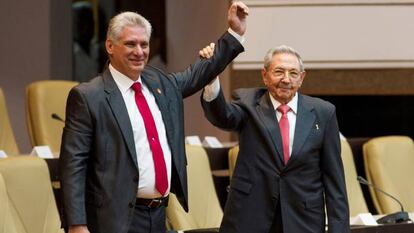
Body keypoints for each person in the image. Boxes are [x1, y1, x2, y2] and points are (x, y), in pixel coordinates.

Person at [59, 2, 248, 233]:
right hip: (114, 220)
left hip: (158, 215)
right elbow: (73, 166)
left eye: (144, 44)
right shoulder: (89, 96)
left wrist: (233, 34)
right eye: (130, 44)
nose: (139, 52)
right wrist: (77, 224)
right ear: (110, 46)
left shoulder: (158, 83)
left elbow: (196, 74)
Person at [200, 45, 350, 233]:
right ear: (265, 75)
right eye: (279, 72)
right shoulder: (248, 103)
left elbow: (334, 180)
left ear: (301, 78)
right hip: (250, 217)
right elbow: (222, 116)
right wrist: (211, 75)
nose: (286, 79)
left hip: (303, 220)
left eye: (293, 73)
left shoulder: (323, 113)